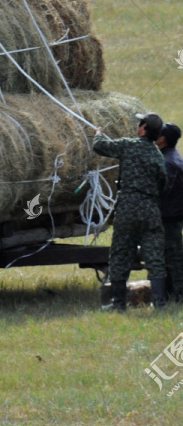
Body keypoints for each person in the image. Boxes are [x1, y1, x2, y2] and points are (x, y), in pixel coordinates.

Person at [93, 111, 167, 311]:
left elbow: (99, 146)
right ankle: (159, 303)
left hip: (127, 208)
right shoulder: (157, 155)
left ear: (143, 128)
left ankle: (118, 304)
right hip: (150, 210)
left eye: (139, 123)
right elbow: (163, 183)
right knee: (154, 257)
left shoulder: (129, 145)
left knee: (120, 255)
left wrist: (98, 132)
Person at [156, 122, 183, 302]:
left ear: (163, 139)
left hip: (169, 218)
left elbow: (161, 191)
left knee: (172, 259)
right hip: (172, 216)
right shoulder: (172, 157)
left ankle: (179, 295)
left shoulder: (168, 163)